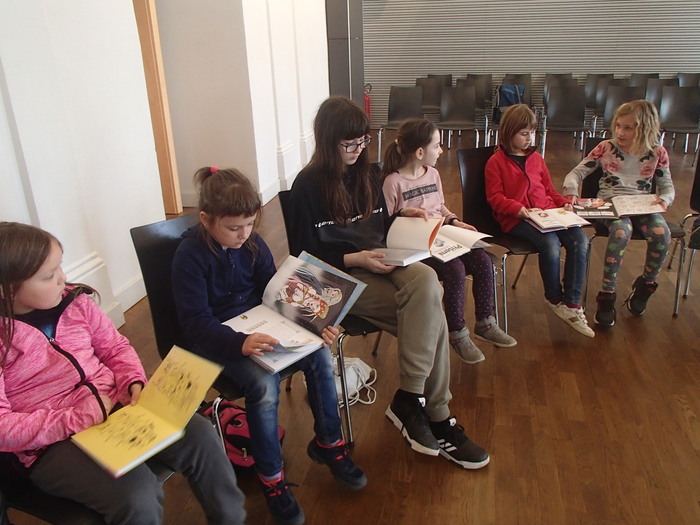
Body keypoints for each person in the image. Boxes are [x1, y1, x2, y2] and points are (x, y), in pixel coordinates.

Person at [287, 96, 490, 471]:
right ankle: (438, 417)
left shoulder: (368, 173)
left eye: (362, 141)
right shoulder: (307, 185)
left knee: (427, 279)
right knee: (432, 318)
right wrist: (355, 259)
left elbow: (376, 227)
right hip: (337, 275)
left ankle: (410, 398)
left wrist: (400, 217)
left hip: (380, 256)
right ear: (327, 140)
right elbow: (304, 258)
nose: (357, 149)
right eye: (349, 143)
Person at [0, 222, 246, 525]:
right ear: (7, 288)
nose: (62, 278)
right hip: (50, 445)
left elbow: (115, 348)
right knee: (138, 496)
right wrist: (76, 418)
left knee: (202, 436)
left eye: (60, 266)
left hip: (115, 406)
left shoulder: (76, 302)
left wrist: (131, 379)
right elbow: (3, 427)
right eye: (49, 276)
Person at [171, 167, 366, 525]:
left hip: (259, 325)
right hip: (216, 339)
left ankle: (328, 443)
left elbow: (275, 292)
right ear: (206, 219)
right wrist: (239, 342)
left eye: (250, 224)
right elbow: (195, 323)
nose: (244, 234)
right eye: (234, 227)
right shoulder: (190, 255)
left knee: (320, 356)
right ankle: (272, 477)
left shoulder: (253, 244)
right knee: (263, 384)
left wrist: (316, 324)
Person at [380, 118, 517, 365]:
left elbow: (440, 207)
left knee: (483, 260)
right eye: (437, 146)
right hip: (415, 245)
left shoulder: (433, 174)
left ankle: (486, 322)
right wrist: (403, 215)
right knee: (455, 269)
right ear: (420, 152)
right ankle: (457, 333)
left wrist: (454, 221)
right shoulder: (393, 182)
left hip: (441, 235)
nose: (441, 151)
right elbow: (385, 224)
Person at [484, 104, 594, 338]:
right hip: (515, 219)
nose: (529, 138)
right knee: (550, 243)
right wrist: (519, 209)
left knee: (579, 240)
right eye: (524, 133)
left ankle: (572, 303)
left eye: (532, 133)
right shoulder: (496, 162)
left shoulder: (536, 159)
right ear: (508, 133)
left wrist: (563, 202)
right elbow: (495, 198)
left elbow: (548, 190)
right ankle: (554, 298)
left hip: (546, 214)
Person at [563, 100, 674, 327]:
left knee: (661, 234)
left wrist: (665, 199)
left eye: (628, 128)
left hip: (641, 204)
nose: (620, 132)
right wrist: (571, 192)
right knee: (622, 232)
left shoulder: (657, 152)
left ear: (644, 128)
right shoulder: (606, 147)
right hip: (610, 203)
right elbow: (576, 173)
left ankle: (646, 285)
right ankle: (607, 295)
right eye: (618, 126)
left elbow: (667, 186)